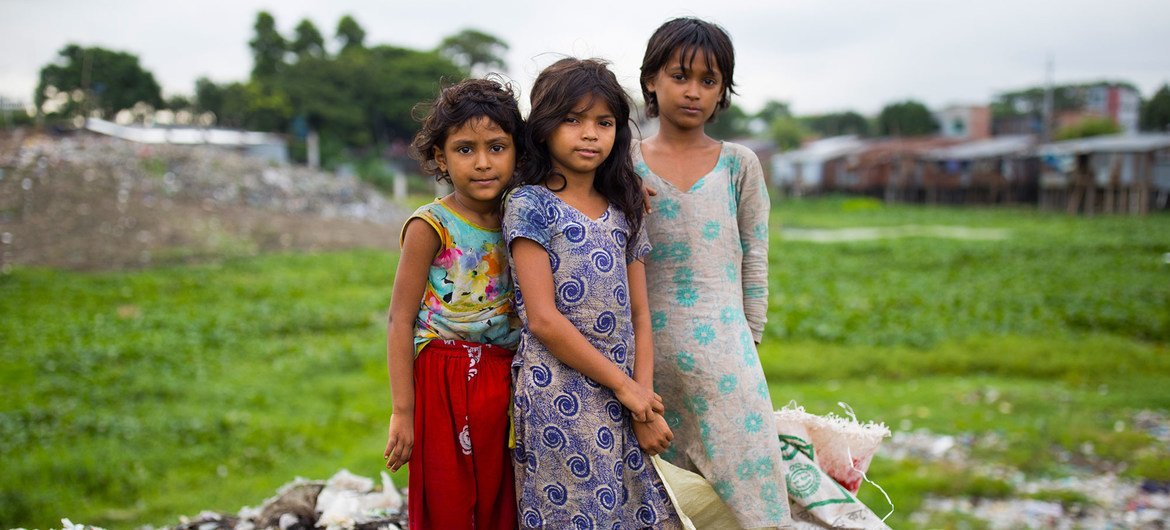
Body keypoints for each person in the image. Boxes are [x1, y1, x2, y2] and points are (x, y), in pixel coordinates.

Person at [501, 57, 680, 529]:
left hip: (624, 394)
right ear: (542, 127)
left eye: (604, 123)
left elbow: (641, 314)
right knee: (576, 515)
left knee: (637, 512)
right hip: (559, 392)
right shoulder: (530, 204)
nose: (589, 134)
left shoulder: (624, 206)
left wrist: (641, 397)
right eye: (573, 120)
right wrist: (626, 389)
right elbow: (542, 319)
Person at [633, 17, 793, 528]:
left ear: (724, 90)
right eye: (680, 76)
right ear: (652, 80)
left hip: (726, 355)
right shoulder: (622, 163)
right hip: (644, 355)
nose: (693, 92)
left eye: (709, 80)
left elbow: (755, 254)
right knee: (663, 494)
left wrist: (751, 337)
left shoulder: (738, 165)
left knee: (755, 487)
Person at [382, 77, 524, 530]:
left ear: (518, 150)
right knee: (449, 502)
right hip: (442, 377)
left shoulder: (523, 215)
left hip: (506, 376)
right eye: (465, 149)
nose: (483, 163)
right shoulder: (431, 225)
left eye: (497, 147)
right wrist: (403, 412)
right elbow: (399, 319)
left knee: (502, 499)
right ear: (441, 157)